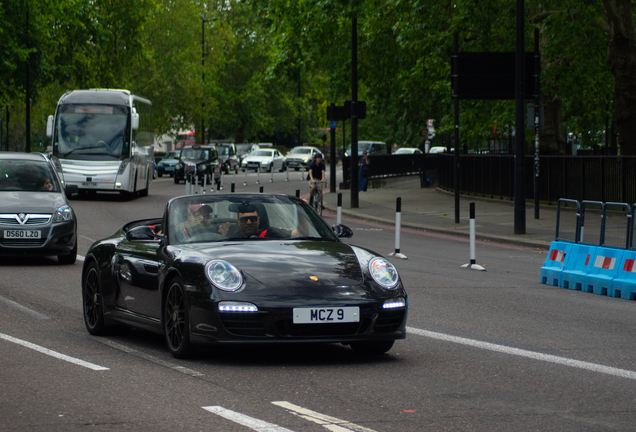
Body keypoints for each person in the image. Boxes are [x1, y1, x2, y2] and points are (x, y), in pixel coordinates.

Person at [218, 203, 308, 239]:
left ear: (258, 220)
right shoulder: (233, 238)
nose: (249, 222)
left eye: (253, 219)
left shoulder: (272, 233)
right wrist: (222, 238)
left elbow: (301, 234)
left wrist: (301, 214)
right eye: (244, 220)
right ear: (238, 221)